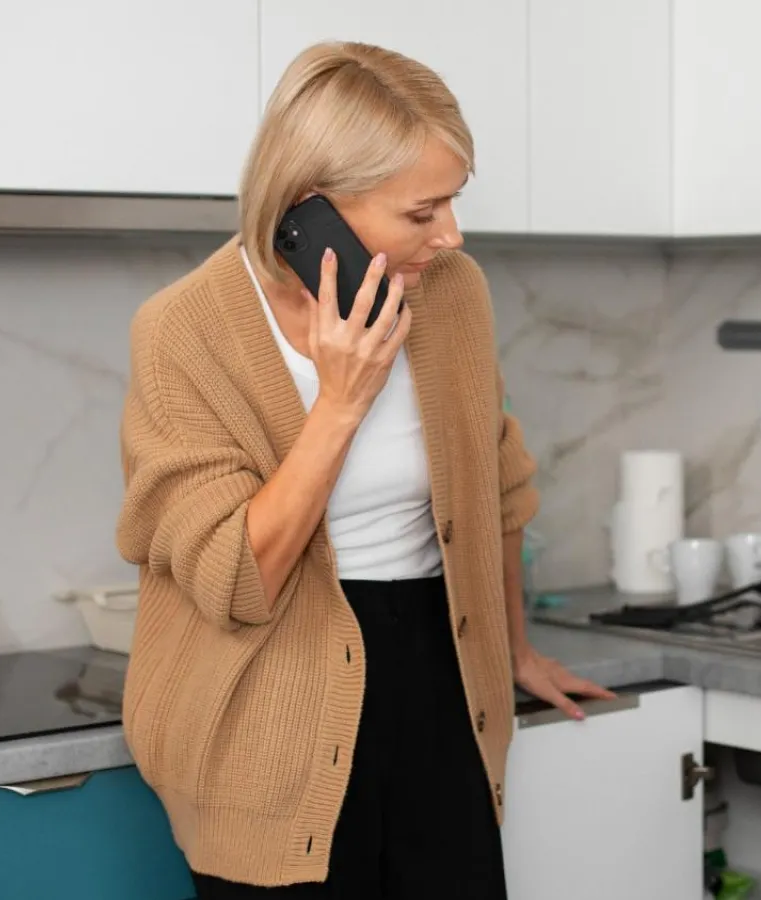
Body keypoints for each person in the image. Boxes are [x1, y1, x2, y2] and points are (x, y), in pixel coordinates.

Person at [114, 40, 614, 898]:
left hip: (437, 686)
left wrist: (514, 647)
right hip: (267, 707)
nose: (451, 236)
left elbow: (498, 485)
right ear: (314, 211)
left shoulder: (450, 292)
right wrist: (340, 403)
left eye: (452, 203)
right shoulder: (183, 333)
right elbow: (236, 580)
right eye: (421, 214)